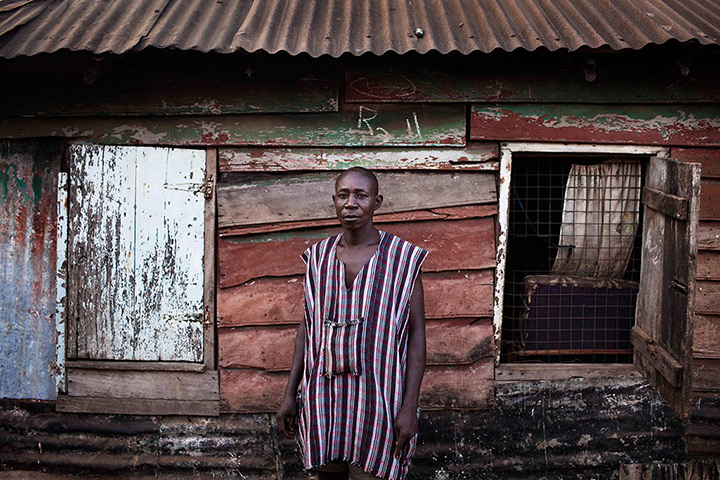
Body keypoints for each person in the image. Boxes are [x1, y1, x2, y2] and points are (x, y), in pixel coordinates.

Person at [276, 167, 427, 480]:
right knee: (329, 474)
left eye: (361, 195)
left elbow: (416, 334)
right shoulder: (318, 258)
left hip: (380, 399)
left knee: (368, 474)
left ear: (377, 202)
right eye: (343, 195)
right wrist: (291, 393)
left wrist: (410, 406)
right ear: (334, 201)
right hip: (323, 397)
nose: (351, 203)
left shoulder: (402, 259)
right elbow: (308, 326)